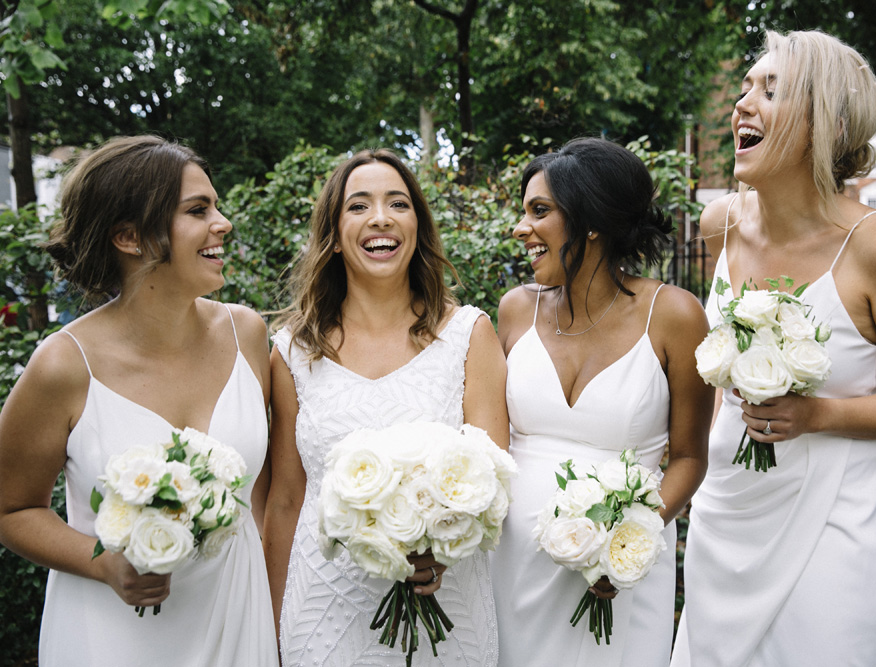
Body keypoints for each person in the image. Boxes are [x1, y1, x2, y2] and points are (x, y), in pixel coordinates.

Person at [671, 30, 876, 666]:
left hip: (833, 517)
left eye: (769, 91)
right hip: (727, 510)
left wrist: (816, 414)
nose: (742, 104)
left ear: (824, 122)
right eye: (745, 87)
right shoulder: (721, 224)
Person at [0, 135, 278, 666]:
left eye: (216, 206)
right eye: (199, 210)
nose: (224, 223)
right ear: (129, 237)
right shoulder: (64, 365)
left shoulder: (246, 334)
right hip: (112, 634)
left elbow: (262, 482)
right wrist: (103, 563)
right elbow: (12, 509)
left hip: (235, 618)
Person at [264, 148, 509, 666]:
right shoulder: (293, 351)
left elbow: (495, 485)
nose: (380, 217)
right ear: (332, 235)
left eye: (398, 203)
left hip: (445, 603)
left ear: (417, 226)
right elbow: (285, 501)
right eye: (359, 206)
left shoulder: (468, 335)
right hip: (325, 610)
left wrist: (440, 549)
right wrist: (272, 629)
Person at [491, 136, 714, 666]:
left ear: (590, 222)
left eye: (539, 211)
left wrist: (625, 542)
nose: (521, 228)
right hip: (511, 567)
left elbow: (689, 458)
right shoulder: (514, 311)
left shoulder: (675, 316)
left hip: (615, 579)